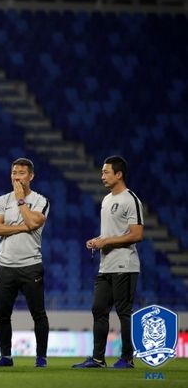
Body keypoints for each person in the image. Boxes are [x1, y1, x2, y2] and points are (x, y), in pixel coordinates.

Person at [73, 156, 144, 369]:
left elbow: (137, 234)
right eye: (102, 172)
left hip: (125, 264)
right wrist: (98, 241)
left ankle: (127, 358)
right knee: (98, 309)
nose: (102, 176)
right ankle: (98, 359)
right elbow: (111, 234)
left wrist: (106, 241)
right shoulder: (106, 200)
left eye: (106, 172)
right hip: (106, 265)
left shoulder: (130, 199)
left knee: (123, 312)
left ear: (119, 174)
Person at [0, 157, 50, 368]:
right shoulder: (1, 201)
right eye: (14, 173)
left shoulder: (41, 201)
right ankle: (6, 356)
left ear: (31, 176)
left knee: (38, 314)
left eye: (21, 173)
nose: (16, 177)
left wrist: (21, 200)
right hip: (4, 265)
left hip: (30, 265)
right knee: (2, 315)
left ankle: (41, 357)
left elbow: (33, 222)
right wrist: (23, 227)